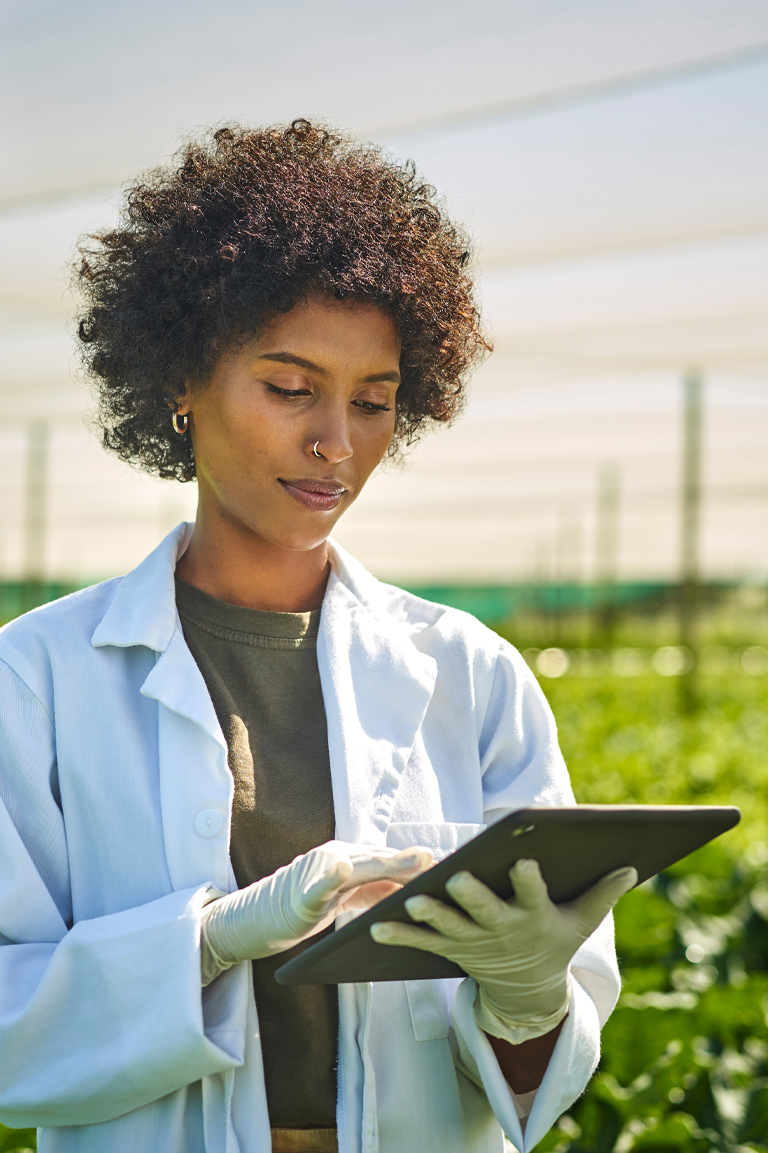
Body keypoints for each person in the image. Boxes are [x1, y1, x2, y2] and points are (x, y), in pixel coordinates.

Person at [0, 121, 636, 1153]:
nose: (335, 442)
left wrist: (528, 996)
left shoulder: (472, 676)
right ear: (179, 382)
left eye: (374, 401)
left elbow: (542, 1073)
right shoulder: (35, 680)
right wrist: (202, 945)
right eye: (290, 388)